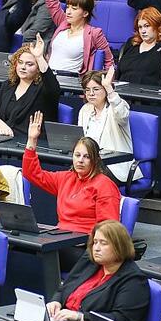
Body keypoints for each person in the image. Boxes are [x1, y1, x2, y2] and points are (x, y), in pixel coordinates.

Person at [23, 111, 121, 267]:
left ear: (96, 160)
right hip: (61, 240)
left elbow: (108, 228)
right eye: (77, 155)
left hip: (84, 247)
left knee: (40, 259)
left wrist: (90, 244)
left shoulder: (104, 185)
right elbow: (32, 173)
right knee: (23, 251)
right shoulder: (66, 178)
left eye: (86, 156)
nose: (80, 160)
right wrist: (32, 140)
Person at [46, 220, 150, 321]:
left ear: (120, 246)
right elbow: (64, 288)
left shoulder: (134, 280)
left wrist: (80, 316)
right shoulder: (90, 261)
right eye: (95, 242)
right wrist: (56, 301)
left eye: (103, 243)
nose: (96, 248)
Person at [0, 37, 60, 137]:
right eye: (20, 62)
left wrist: (39, 58)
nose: (23, 67)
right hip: (3, 140)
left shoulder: (43, 89)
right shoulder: (8, 85)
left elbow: (54, 88)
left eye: (29, 64)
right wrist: (2, 126)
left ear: (38, 68)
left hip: (30, 142)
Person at [78, 70, 142, 185]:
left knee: (92, 176)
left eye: (96, 89)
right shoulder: (85, 110)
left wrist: (109, 88)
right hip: (90, 162)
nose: (91, 93)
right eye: (87, 90)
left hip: (115, 167)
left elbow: (122, 115)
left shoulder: (117, 106)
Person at [115, 7, 161, 86]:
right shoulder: (132, 43)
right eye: (140, 27)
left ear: (158, 26)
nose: (143, 31)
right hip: (122, 92)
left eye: (147, 26)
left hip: (149, 95)